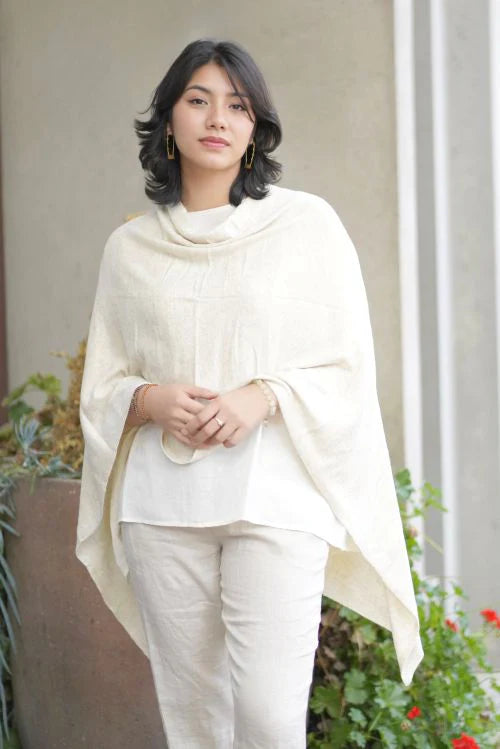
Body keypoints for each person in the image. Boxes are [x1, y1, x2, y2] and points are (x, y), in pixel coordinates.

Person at [76, 38, 423, 749]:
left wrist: (261, 397)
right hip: (161, 507)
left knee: (268, 716)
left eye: (237, 106)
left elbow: (346, 365)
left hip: (274, 496)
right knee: (194, 719)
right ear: (168, 121)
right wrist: (149, 400)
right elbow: (103, 384)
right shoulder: (129, 250)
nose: (217, 118)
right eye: (198, 100)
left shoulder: (306, 227)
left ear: (256, 126)